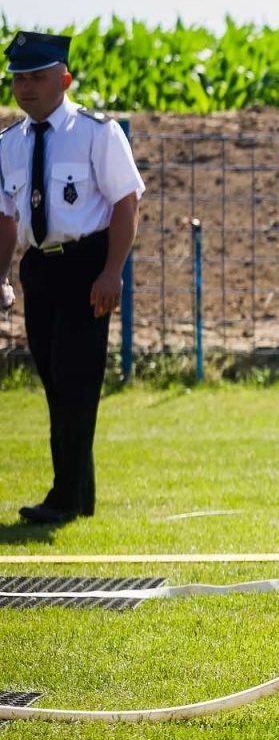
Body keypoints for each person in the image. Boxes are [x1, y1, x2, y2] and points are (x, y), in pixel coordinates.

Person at [0, 31, 143, 524]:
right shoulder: (8, 145)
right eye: (18, 78)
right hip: (39, 267)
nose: (25, 87)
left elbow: (126, 203)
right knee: (56, 384)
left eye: (37, 77)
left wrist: (111, 272)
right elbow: (6, 219)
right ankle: (79, 496)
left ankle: (64, 498)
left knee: (76, 380)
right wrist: (3, 279)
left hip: (86, 264)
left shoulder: (97, 133)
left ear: (63, 78)